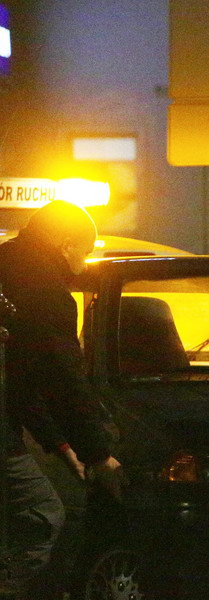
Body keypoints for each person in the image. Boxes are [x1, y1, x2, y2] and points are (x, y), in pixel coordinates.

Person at [0, 201, 124, 598]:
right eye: (84, 251)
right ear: (66, 243)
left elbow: (21, 377)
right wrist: (98, 453)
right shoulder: (46, 291)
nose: (85, 263)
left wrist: (59, 443)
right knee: (44, 517)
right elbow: (61, 378)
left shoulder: (8, 267)